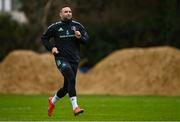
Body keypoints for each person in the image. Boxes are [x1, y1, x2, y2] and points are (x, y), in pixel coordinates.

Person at [41, 6, 89, 117]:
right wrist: (51, 48)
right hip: (61, 58)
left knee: (66, 87)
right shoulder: (55, 27)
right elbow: (44, 38)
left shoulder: (77, 26)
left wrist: (80, 37)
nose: (68, 13)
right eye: (65, 12)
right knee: (71, 78)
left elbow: (86, 40)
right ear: (60, 14)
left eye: (70, 11)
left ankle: (52, 101)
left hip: (74, 59)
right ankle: (75, 107)